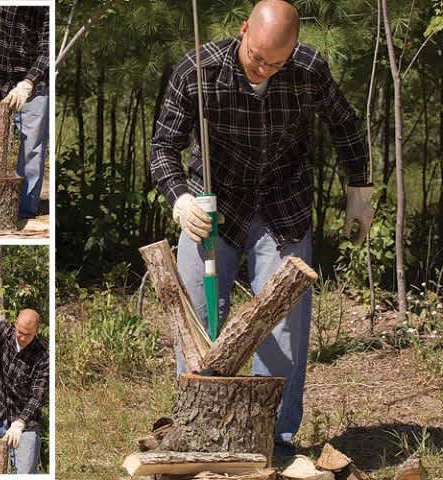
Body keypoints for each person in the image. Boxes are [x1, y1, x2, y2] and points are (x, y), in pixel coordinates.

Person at [150, 0, 374, 459]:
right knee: (196, 318)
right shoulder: (198, 69)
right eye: (256, 56)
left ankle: (274, 438)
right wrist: (180, 200)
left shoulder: (309, 69)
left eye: (276, 62)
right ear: (243, 30)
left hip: (283, 202)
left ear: (292, 51)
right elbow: (162, 147)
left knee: (284, 325)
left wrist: (360, 192)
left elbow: (347, 127)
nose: (263, 68)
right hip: (212, 206)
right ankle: (201, 428)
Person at [0, 7, 50, 219]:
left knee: (32, 152)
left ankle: (23, 212)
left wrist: (28, 83)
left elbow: (48, 50)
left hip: (33, 83)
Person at [0, 272, 49, 474]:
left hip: (25, 422)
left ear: (36, 331)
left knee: (26, 472)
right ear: (15, 325)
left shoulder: (42, 355)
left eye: (27, 334)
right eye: (19, 331)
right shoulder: (3, 333)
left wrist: (20, 423)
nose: (21, 337)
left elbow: (38, 394)